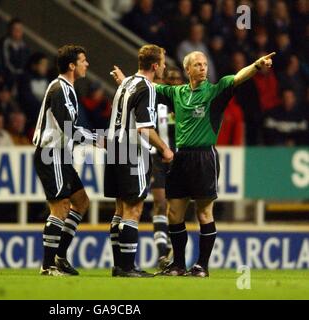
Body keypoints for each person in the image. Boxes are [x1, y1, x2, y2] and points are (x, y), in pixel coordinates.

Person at [112, 51, 275, 277]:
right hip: (180, 158)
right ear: (187, 69)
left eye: (205, 64)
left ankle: (202, 266)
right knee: (174, 213)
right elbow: (147, 86)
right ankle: (178, 264)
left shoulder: (216, 90)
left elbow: (239, 77)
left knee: (204, 213)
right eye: (197, 64)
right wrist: (126, 83)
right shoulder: (176, 92)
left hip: (204, 158)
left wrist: (257, 65)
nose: (202, 68)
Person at [106, 44, 174, 277]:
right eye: (163, 62)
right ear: (155, 66)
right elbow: (145, 128)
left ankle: (119, 265)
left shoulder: (127, 82)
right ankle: (127, 267)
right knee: (133, 209)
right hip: (131, 149)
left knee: (119, 209)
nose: (164, 66)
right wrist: (165, 148)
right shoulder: (147, 87)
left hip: (114, 147)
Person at [33, 45, 101, 276]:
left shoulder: (68, 89)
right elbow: (69, 129)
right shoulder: (61, 89)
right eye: (84, 60)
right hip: (50, 153)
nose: (87, 64)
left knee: (81, 202)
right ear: (72, 65)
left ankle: (59, 256)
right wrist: (97, 139)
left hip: (60, 155)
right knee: (60, 208)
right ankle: (47, 265)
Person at [150, 67, 183, 269]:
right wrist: (161, 149)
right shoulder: (155, 103)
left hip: (180, 160)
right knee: (160, 203)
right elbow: (148, 128)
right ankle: (162, 254)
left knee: (176, 209)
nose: (174, 82)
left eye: (177, 79)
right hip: (158, 159)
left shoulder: (184, 103)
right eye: (170, 79)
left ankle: (171, 249)